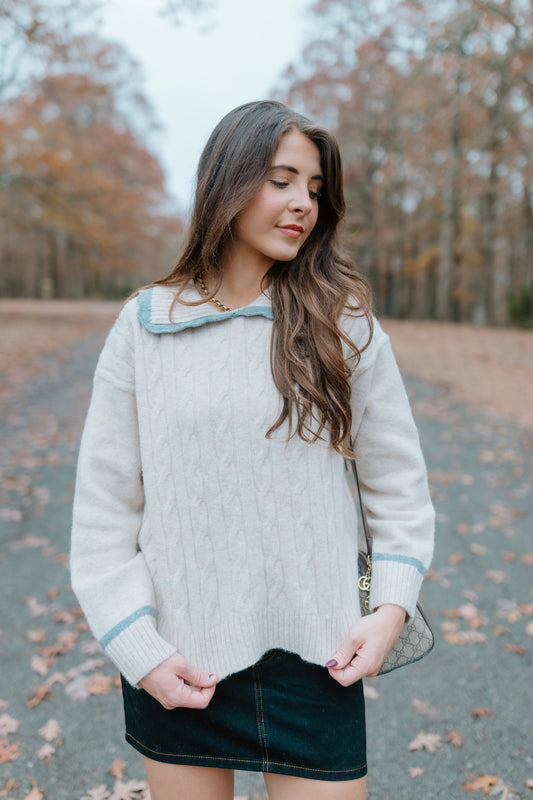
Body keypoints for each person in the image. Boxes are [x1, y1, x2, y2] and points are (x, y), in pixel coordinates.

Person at [71, 100, 434, 800]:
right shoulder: (147, 324)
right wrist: (139, 652)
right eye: (282, 179)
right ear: (226, 184)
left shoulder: (342, 322)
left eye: (315, 189)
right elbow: (104, 510)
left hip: (316, 661)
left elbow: (397, 484)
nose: (303, 203)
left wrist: (389, 608)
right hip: (180, 664)